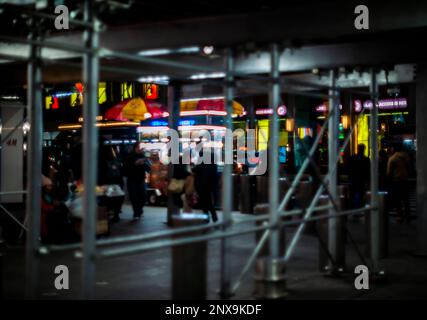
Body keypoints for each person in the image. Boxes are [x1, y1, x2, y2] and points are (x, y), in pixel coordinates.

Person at [124, 142, 151, 220]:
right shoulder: (130, 155)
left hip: (141, 178)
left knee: (143, 196)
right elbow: (128, 166)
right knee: (134, 196)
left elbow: (148, 167)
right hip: (132, 179)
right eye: (140, 147)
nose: (142, 149)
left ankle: (139, 210)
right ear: (136, 148)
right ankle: (136, 213)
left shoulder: (143, 156)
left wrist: (146, 162)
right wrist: (137, 162)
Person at [387, 143, 411, 223]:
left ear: (394, 149)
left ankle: (400, 216)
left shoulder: (392, 158)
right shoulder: (406, 156)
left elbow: (389, 172)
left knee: (397, 200)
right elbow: (409, 167)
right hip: (405, 180)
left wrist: (389, 180)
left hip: (396, 180)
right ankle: (408, 215)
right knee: (406, 199)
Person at [348, 144, 370, 210]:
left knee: (354, 192)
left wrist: (350, 177)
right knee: (359, 192)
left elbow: (349, 168)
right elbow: (368, 170)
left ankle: (354, 206)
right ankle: (357, 207)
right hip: (361, 179)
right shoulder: (366, 159)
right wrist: (368, 180)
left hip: (354, 178)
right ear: (364, 149)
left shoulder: (352, 157)